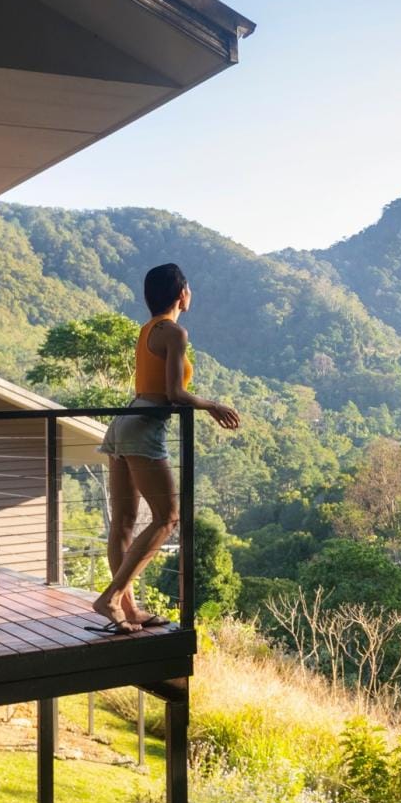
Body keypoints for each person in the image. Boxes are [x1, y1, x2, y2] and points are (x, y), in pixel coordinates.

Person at [94, 263, 239, 631]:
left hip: (125, 421)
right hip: (144, 427)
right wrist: (212, 405)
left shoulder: (148, 330)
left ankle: (126, 609)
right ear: (182, 293)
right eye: (189, 287)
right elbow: (174, 393)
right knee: (168, 516)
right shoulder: (174, 332)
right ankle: (112, 598)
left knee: (124, 523)